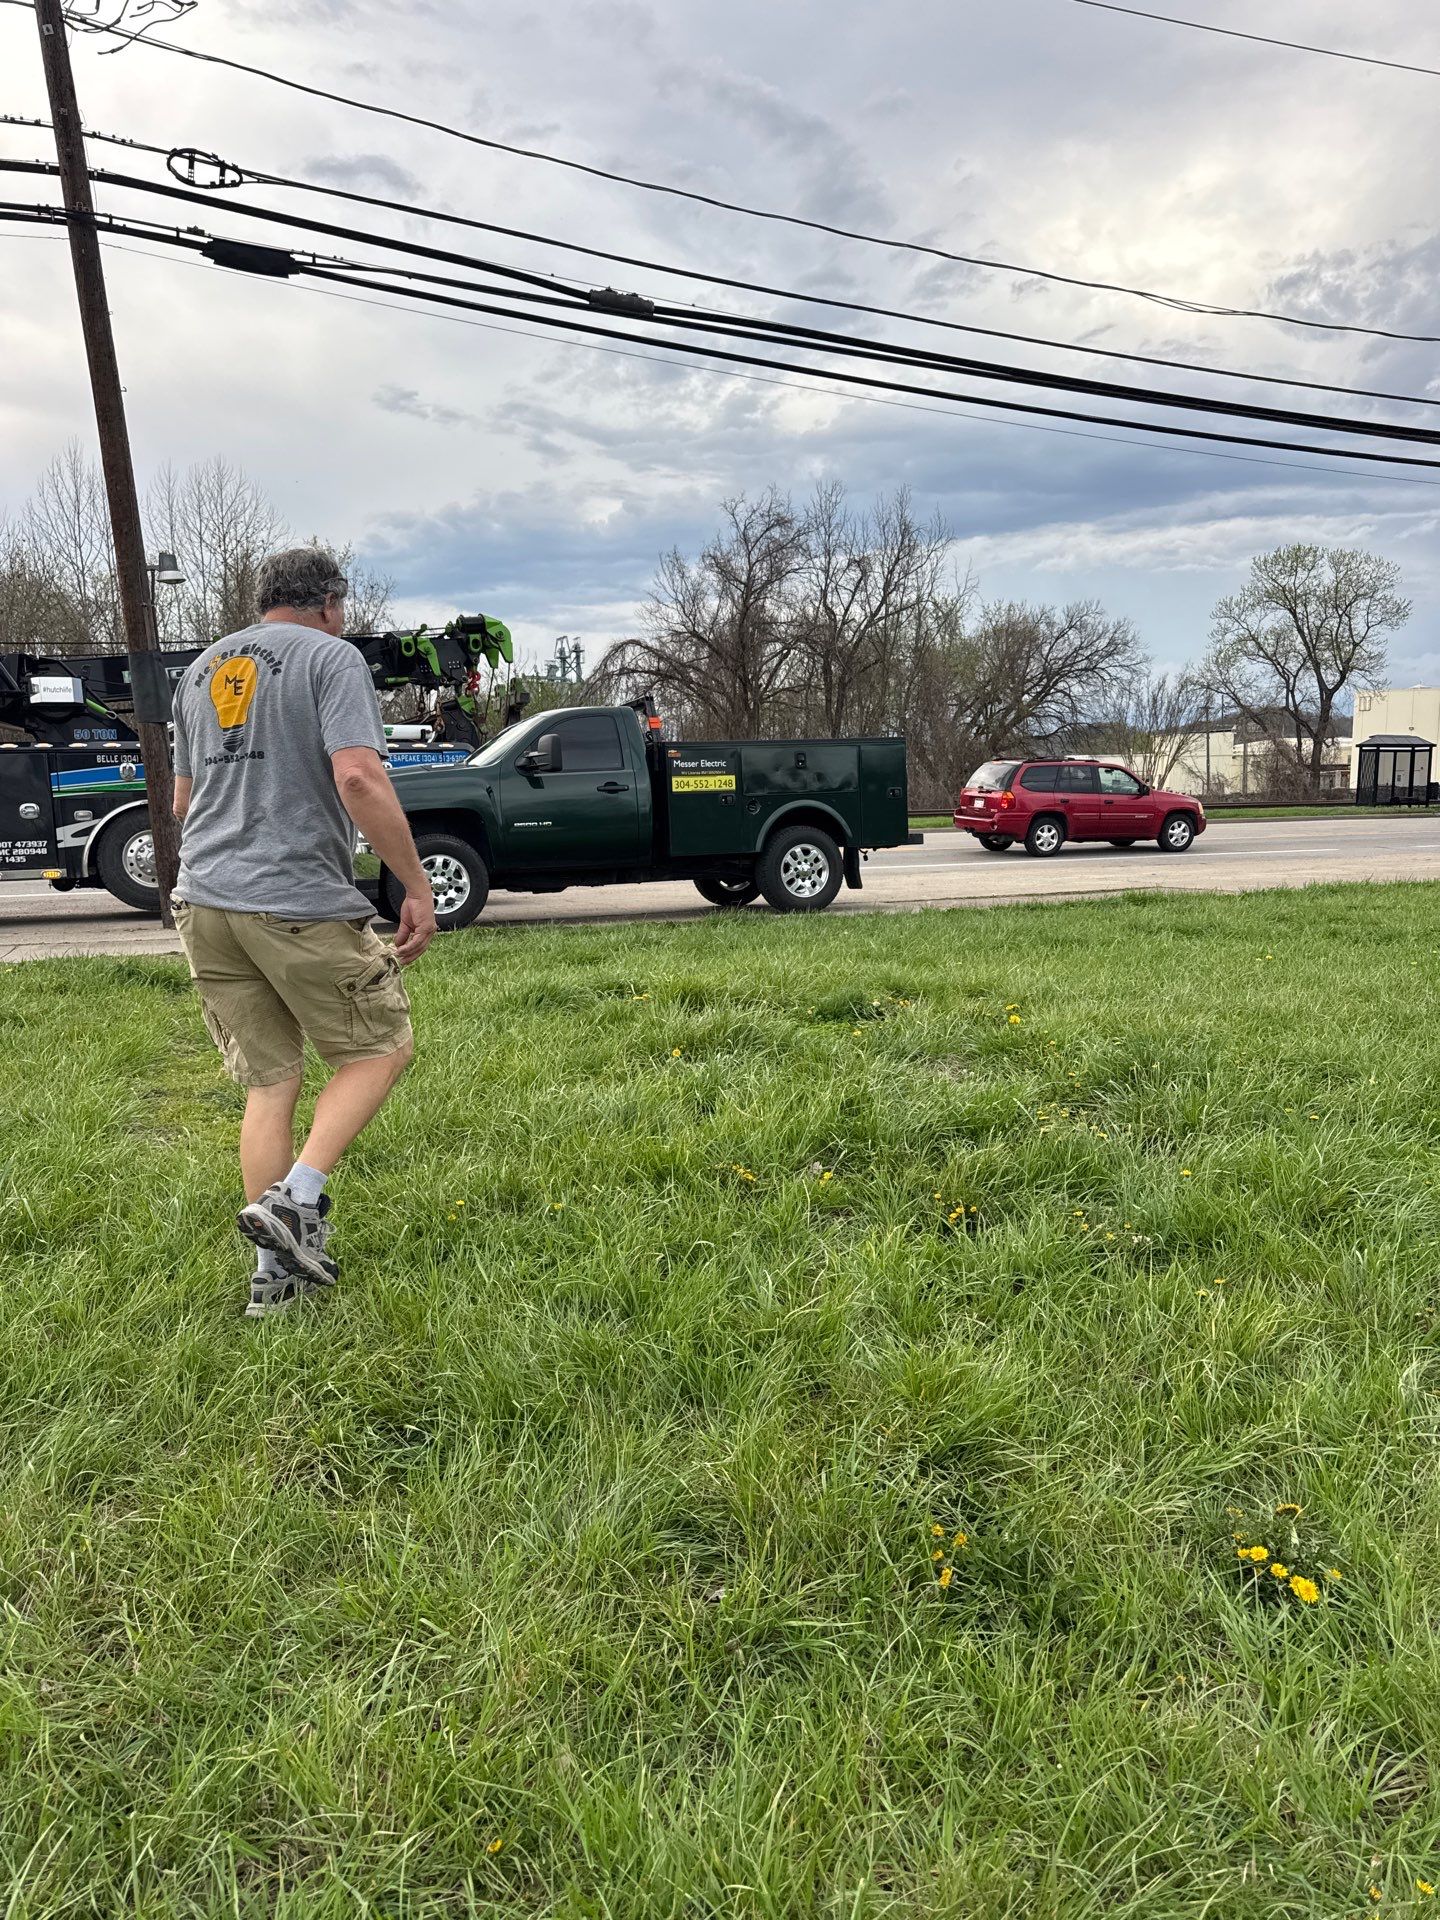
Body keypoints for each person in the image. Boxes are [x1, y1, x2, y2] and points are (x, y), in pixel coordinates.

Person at [169, 545, 438, 1317]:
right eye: (342, 607)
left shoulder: (200, 672)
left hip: (206, 902)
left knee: (270, 1083)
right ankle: (298, 1201)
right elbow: (357, 775)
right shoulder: (331, 658)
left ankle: (274, 1279)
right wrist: (414, 885)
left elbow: (185, 802)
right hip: (294, 900)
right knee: (381, 1048)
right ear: (328, 601)